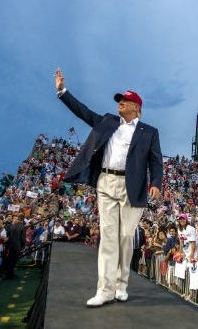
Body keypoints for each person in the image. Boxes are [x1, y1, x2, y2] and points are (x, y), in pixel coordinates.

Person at [54, 68, 163, 307]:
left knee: (125, 236)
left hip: (132, 185)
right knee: (109, 237)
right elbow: (83, 112)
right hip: (105, 181)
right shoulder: (107, 121)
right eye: (119, 101)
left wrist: (156, 183)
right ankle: (105, 289)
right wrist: (63, 91)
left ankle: (122, 283)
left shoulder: (149, 132)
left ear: (136, 107)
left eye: (125, 101)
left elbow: (156, 161)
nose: (120, 104)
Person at [4, 213, 26, 279]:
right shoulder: (22, 227)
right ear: (23, 219)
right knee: (13, 261)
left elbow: (8, 235)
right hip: (17, 246)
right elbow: (22, 239)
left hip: (10, 245)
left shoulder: (12, 226)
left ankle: (10, 274)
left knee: (10, 260)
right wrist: (22, 247)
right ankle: (10, 275)